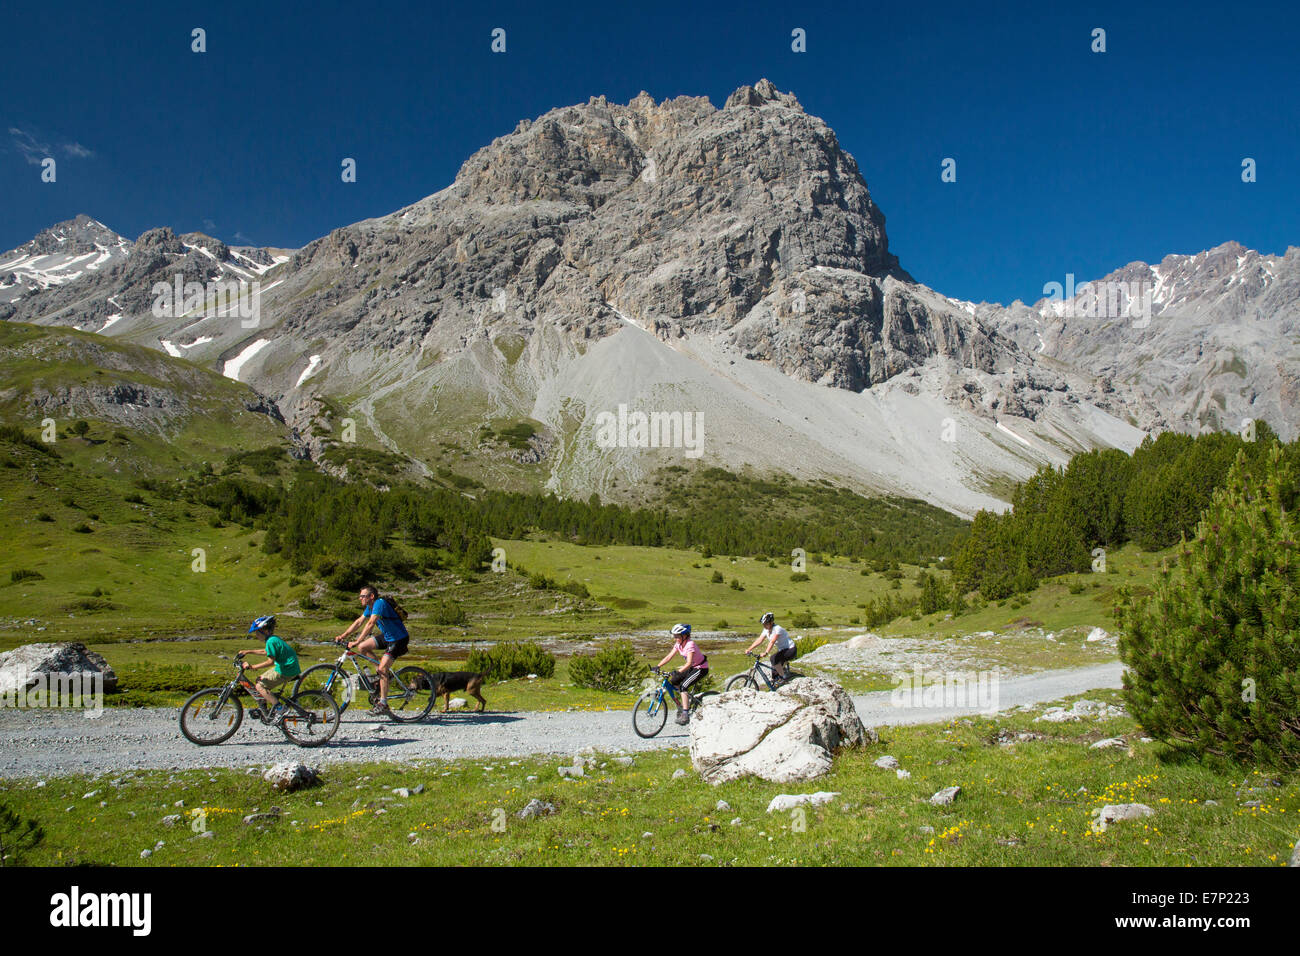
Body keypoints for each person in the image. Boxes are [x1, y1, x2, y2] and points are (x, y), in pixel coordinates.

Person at [334, 584, 410, 715]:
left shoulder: (379, 603)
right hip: (388, 637)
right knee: (362, 647)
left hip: (398, 639)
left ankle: (383, 703)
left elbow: (371, 623)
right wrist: (343, 636)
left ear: (371, 596)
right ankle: (380, 675)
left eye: (362, 596)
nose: (360, 598)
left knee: (382, 669)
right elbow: (359, 622)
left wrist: (357, 640)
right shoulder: (370, 607)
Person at [238, 615, 300, 723]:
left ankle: (280, 708)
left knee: (259, 686)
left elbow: (270, 661)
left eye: (257, 632)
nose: (256, 635)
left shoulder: (271, 641)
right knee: (259, 679)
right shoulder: (273, 639)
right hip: (287, 667)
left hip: (285, 669)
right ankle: (268, 703)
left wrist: (252, 667)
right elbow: (267, 651)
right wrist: (248, 651)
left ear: (264, 630)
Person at [655, 623, 709, 725]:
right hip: (692, 667)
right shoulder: (678, 644)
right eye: (674, 636)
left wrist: (678, 672)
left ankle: (685, 714)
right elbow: (669, 656)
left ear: (685, 636)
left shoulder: (690, 645)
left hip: (700, 668)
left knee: (684, 686)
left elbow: (688, 663)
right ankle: (685, 700)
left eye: (677, 636)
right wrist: (658, 666)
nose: (675, 638)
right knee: (674, 681)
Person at [746, 611, 796, 683]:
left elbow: (772, 641)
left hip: (791, 649)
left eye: (766, 624)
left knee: (773, 658)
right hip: (783, 650)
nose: (764, 626)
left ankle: (781, 678)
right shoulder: (766, 630)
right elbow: (760, 640)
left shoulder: (777, 629)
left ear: (771, 622)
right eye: (763, 624)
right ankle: (778, 678)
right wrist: (749, 649)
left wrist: (766, 652)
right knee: (775, 660)